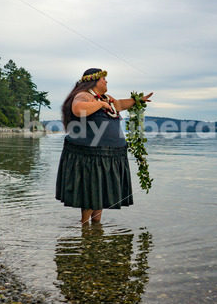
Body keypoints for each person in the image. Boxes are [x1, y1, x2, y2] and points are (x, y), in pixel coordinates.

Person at [55, 68, 153, 223]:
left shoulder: (106, 98)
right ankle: (85, 229)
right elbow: (78, 108)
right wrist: (100, 104)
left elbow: (120, 104)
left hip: (109, 154)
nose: (106, 81)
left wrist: (137, 101)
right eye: (104, 79)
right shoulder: (84, 95)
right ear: (95, 80)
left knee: (100, 192)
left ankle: (96, 229)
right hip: (90, 155)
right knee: (91, 191)